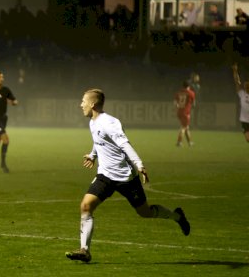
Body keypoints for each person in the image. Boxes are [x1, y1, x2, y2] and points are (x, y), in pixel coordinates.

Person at [65, 89, 190, 263]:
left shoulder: (110, 123)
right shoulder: (93, 122)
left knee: (145, 212)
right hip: (105, 176)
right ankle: (84, 250)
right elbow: (99, 140)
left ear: (92, 104)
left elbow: (124, 144)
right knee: (86, 206)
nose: (81, 105)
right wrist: (93, 155)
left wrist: (139, 165)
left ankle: (177, 216)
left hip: (126, 177)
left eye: (83, 101)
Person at [174, 81, 195, 147]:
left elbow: (175, 103)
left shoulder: (178, 93)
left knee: (186, 127)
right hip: (186, 112)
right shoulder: (191, 93)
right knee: (183, 127)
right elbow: (193, 103)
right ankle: (179, 142)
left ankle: (190, 142)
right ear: (189, 86)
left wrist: (178, 106)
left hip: (179, 112)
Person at [232, 64, 249, 142]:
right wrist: (235, 71)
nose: (245, 85)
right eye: (245, 85)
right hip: (244, 120)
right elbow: (237, 82)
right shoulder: (242, 94)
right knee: (247, 139)